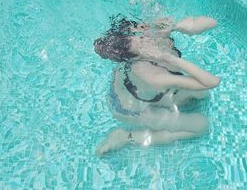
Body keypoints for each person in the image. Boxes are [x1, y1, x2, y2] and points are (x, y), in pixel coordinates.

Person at [93, 15, 221, 156]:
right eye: (142, 41)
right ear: (137, 56)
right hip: (131, 108)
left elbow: (212, 22)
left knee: (201, 94)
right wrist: (172, 60)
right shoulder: (151, 75)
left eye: (140, 31)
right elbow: (211, 82)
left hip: (136, 88)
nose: (148, 36)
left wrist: (180, 26)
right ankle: (126, 137)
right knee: (201, 125)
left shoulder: (150, 35)